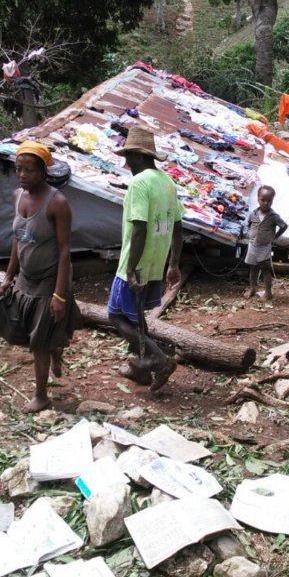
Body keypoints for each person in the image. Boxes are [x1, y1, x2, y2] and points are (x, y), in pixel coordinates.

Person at [0, 141, 78, 413]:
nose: (22, 175)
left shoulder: (57, 203)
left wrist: (59, 295)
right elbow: (18, 239)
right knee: (30, 331)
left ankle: (41, 396)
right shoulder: (17, 196)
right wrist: (9, 276)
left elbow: (64, 251)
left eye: (29, 170)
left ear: (43, 171)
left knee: (39, 341)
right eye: (19, 169)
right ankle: (55, 350)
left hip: (51, 279)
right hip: (26, 277)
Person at [107, 127, 184, 391]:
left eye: (128, 157)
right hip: (155, 264)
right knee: (136, 318)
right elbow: (178, 226)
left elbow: (139, 227)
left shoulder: (139, 183)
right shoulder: (167, 182)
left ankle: (160, 361)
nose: (126, 163)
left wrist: (130, 269)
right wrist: (173, 264)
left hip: (136, 263)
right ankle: (141, 369)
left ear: (139, 156)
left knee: (115, 316)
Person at [243, 185, 288, 300]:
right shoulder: (253, 214)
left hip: (264, 247)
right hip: (252, 245)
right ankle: (252, 289)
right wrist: (249, 234)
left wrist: (274, 237)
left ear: (272, 200)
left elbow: (284, 226)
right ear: (258, 198)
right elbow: (248, 224)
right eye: (263, 200)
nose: (266, 203)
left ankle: (268, 293)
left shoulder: (274, 217)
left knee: (265, 269)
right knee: (253, 268)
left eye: (269, 200)